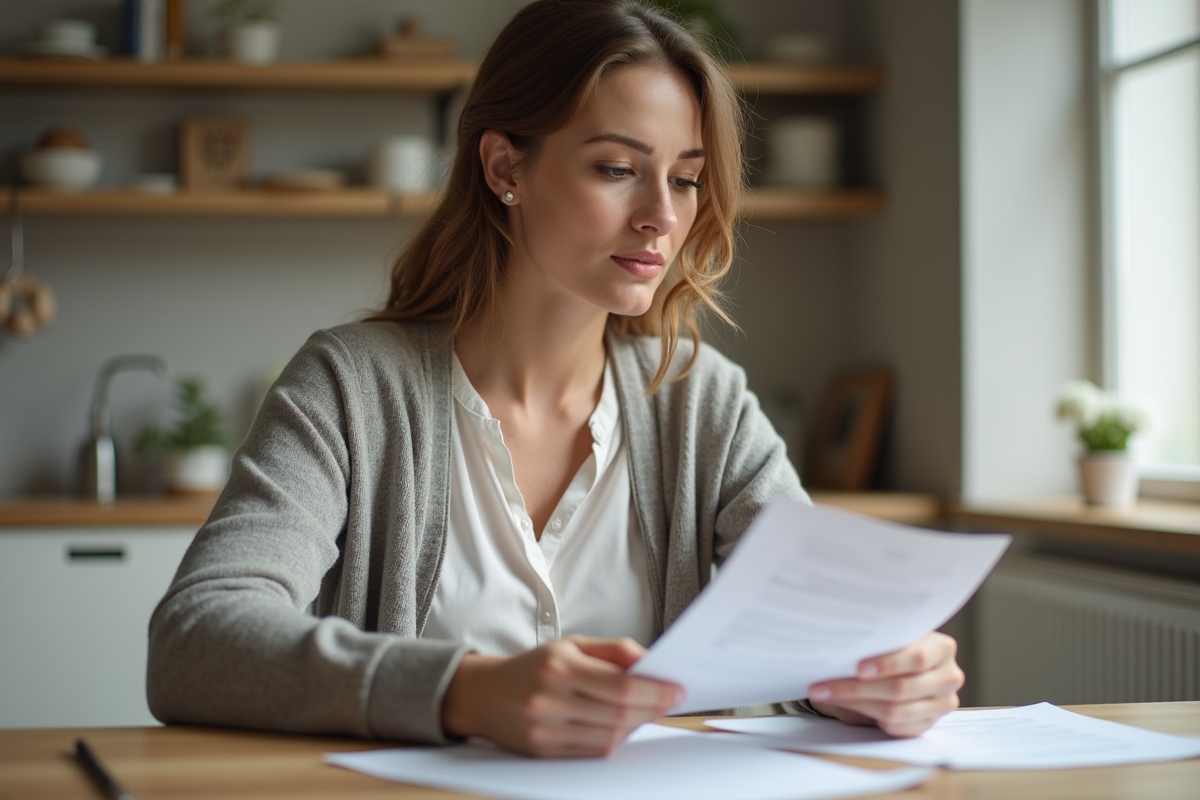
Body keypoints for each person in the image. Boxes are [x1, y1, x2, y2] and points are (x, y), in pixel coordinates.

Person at [147, 0, 963, 759]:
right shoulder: (352, 387)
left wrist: (873, 676)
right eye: (617, 169)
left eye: (684, 178)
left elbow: (813, 626)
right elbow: (196, 639)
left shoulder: (700, 400)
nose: (663, 217)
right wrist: (466, 691)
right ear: (506, 166)